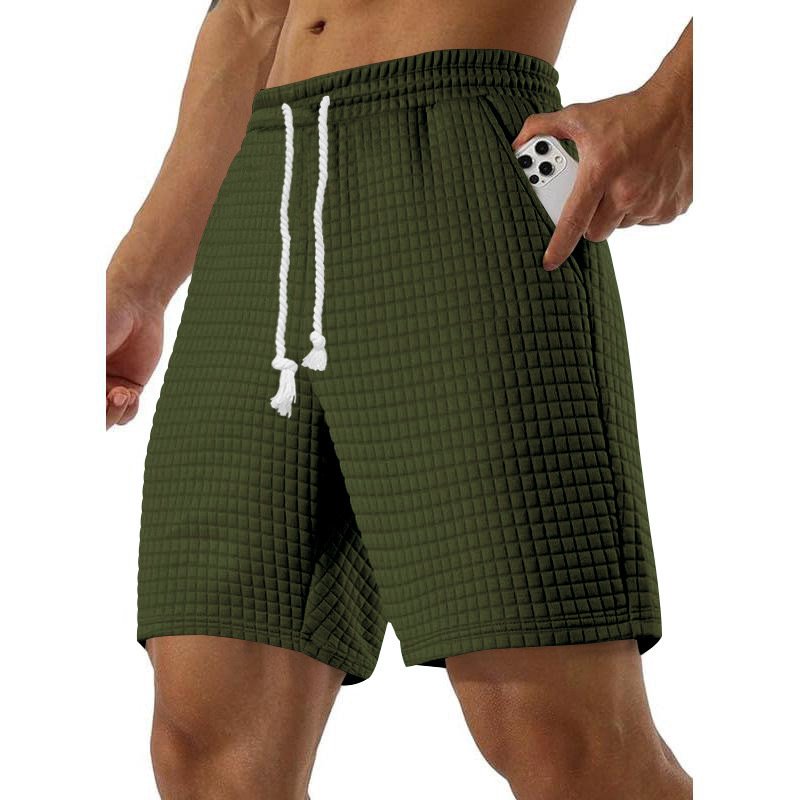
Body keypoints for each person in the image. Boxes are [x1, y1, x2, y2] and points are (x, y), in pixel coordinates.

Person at [106, 2, 693, 797]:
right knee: (206, 740)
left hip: (454, 158)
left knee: (559, 739)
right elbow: (249, 14)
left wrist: (678, 106)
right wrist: (139, 283)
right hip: (261, 188)